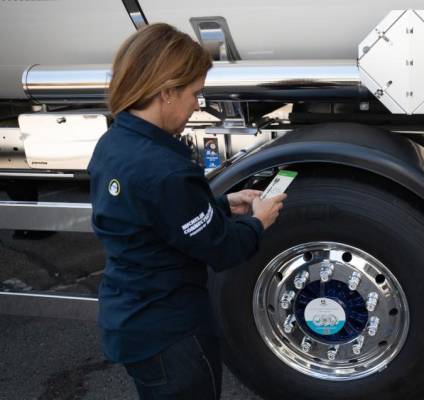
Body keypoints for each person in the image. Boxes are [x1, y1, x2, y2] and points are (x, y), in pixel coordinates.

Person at [87, 23, 286, 399]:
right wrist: (259, 221)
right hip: (172, 334)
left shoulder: (112, 144)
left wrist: (223, 203)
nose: (197, 104)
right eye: (194, 93)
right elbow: (224, 249)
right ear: (166, 93)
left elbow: (152, 216)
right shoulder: (166, 170)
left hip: (129, 320)